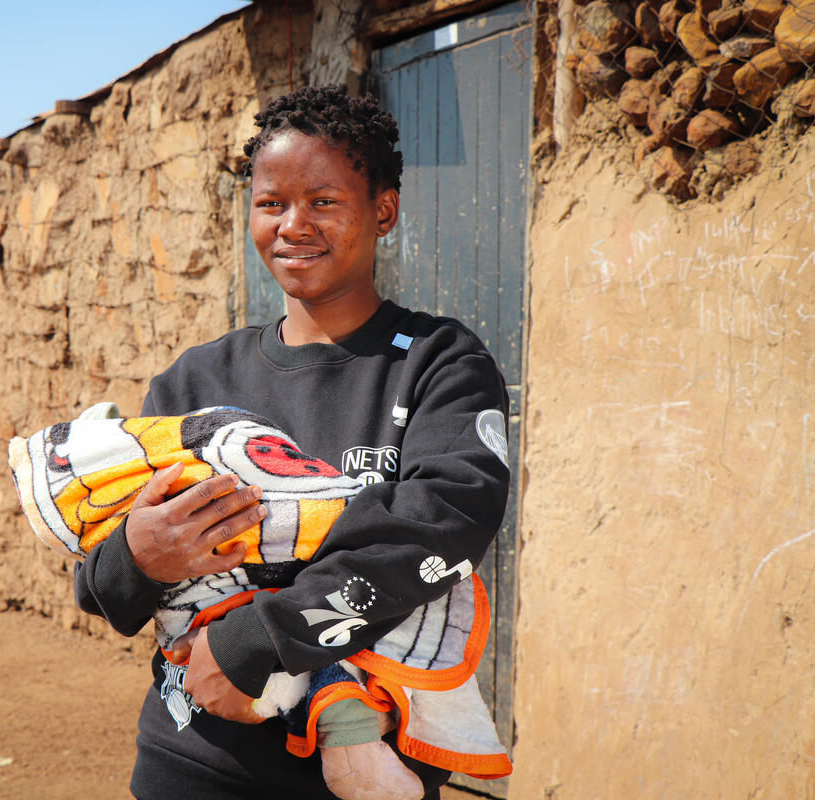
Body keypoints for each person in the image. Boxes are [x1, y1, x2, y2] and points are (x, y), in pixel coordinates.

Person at [74, 85, 511, 799]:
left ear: (384, 211)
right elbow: (104, 589)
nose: (293, 225)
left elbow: (441, 527)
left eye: (324, 201)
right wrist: (137, 554)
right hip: (192, 761)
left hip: (365, 773)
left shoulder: (438, 364)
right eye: (272, 203)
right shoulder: (194, 383)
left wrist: (258, 640)